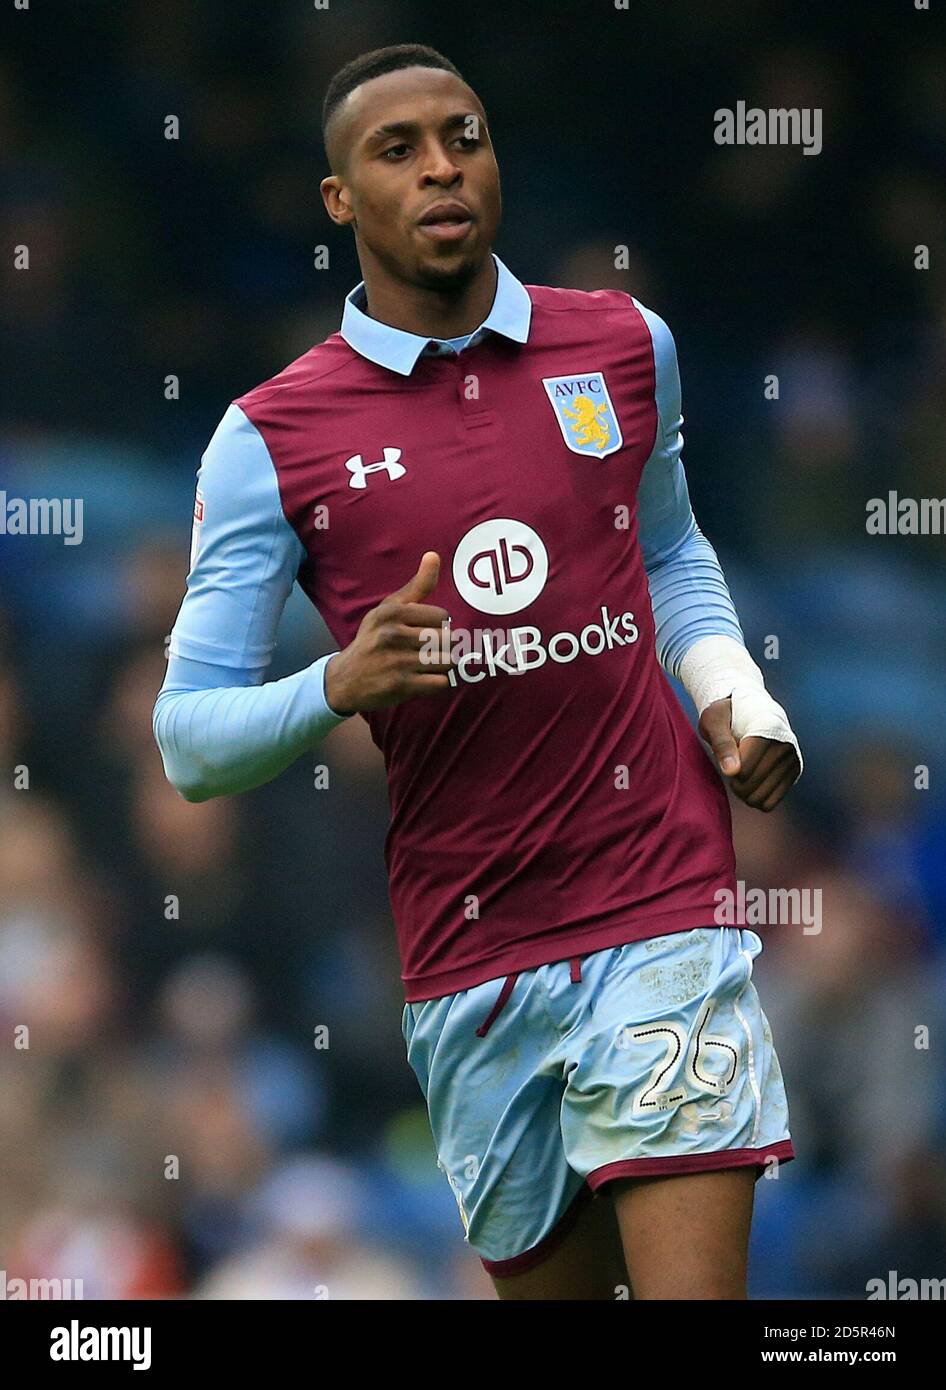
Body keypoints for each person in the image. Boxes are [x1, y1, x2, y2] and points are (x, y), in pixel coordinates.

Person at [153, 43, 803, 1300]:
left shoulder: (620, 345)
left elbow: (667, 549)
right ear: (339, 199)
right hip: (472, 945)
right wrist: (338, 684)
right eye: (397, 150)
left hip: (658, 897)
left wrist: (733, 692)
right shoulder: (268, 438)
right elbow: (188, 741)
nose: (441, 166)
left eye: (464, 136)